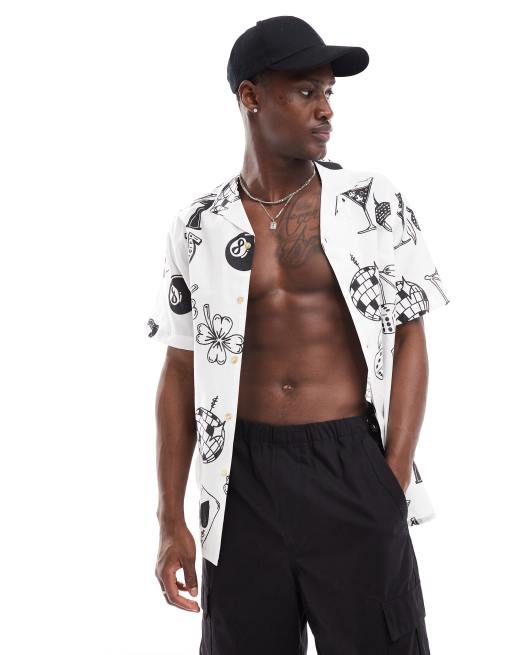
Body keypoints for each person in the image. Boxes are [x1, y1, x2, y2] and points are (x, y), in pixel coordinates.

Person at [147, 15, 450, 655]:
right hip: (239, 481)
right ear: (251, 97)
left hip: (349, 463)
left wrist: (389, 481)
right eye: (307, 92)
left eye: (329, 93)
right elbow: (179, 370)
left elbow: (411, 336)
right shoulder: (197, 225)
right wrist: (171, 518)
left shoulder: (372, 202)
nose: (326, 110)